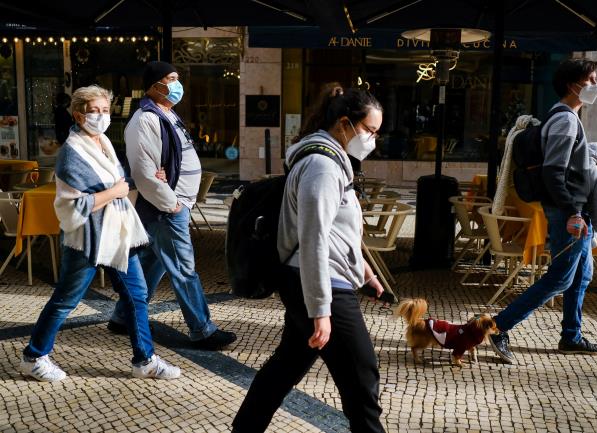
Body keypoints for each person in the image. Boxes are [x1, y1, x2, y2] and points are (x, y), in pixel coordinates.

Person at [232, 83, 386, 433]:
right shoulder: (322, 167)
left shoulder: (332, 161)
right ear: (345, 124)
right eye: (369, 131)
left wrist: (364, 272)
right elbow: (314, 239)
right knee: (363, 378)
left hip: (317, 278)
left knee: (284, 369)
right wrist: (321, 311)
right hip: (319, 284)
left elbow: (337, 233)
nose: (373, 140)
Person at [20, 85, 181, 382]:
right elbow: (73, 205)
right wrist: (117, 190)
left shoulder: (103, 142)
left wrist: (134, 181)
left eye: (105, 110)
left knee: (136, 295)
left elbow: (115, 180)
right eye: (95, 111)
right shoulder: (71, 154)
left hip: (117, 235)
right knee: (66, 300)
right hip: (87, 239)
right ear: (79, 115)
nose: (101, 116)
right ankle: (33, 357)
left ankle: (144, 360)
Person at [108, 61, 236, 350]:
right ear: (155, 85)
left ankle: (121, 316)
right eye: (172, 79)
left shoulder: (167, 113)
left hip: (173, 204)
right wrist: (173, 204)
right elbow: (143, 172)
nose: (178, 85)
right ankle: (202, 330)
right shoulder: (144, 120)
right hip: (165, 208)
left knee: (154, 262)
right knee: (183, 267)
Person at [488, 58, 597, 364]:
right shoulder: (565, 120)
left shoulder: (567, 117)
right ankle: (498, 327)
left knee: (581, 274)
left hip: (575, 209)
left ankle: (572, 336)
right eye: (591, 79)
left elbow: (567, 168)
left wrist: (594, 167)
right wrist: (573, 212)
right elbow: (553, 172)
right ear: (574, 85)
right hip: (569, 211)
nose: (596, 84)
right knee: (560, 278)